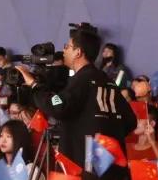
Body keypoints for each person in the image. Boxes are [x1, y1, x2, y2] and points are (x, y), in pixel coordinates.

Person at [19, 23, 136, 170]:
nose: (64, 50)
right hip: (110, 167)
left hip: (83, 168)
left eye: (67, 47)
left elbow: (57, 105)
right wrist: (106, 136)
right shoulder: (107, 80)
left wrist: (34, 85)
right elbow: (131, 121)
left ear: (78, 52)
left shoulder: (82, 79)